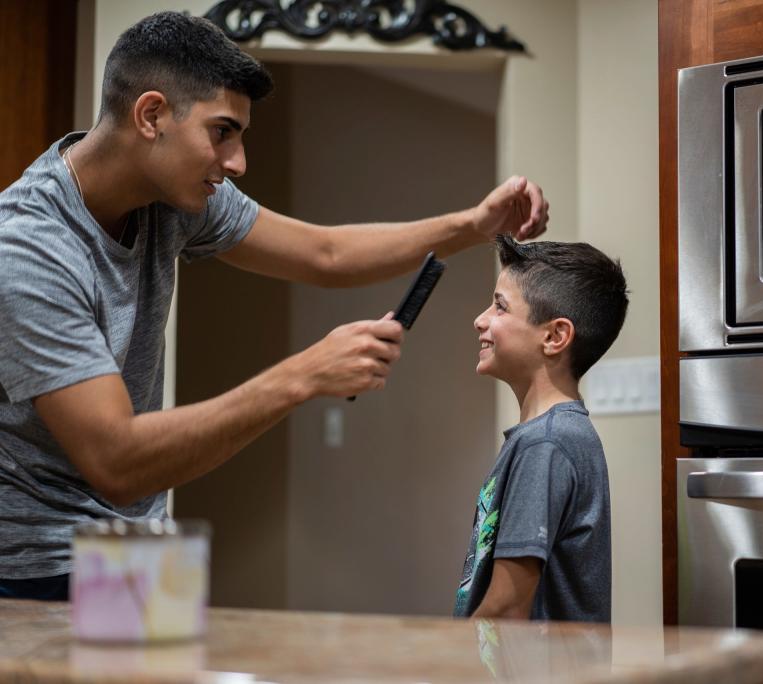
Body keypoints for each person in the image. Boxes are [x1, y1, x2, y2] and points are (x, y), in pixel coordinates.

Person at [0, 11, 548, 601]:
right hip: (39, 568)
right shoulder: (29, 249)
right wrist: (302, 375)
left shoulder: (176, 200)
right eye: (222, 132)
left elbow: (326, 253)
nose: (237, 163)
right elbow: (116, 459)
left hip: (137, 545)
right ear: (151, 115)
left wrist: (472, 224)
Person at [453, 236, 628, 622]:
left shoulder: (546, 444)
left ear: (554, 337)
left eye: (500, 306)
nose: (480, 319)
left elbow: (507, 608)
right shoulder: (554, 436)